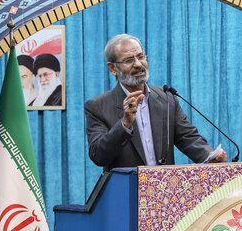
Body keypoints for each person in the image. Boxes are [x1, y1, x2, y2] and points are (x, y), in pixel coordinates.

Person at [84, 34, 227, 170]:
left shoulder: (167, 97)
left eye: (141, 57)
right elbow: (98, 155)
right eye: (129, 60)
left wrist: (209, 156)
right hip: (126, 190)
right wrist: (125, 123)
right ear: (113, 68)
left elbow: (187, 137)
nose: (138, 64)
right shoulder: (97, 106)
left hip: (164, 190)